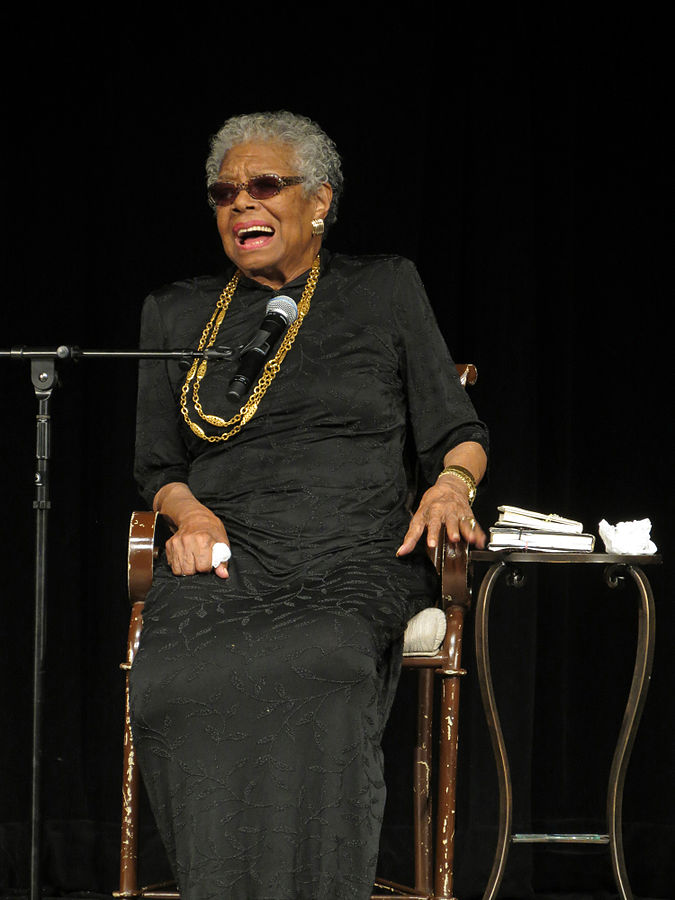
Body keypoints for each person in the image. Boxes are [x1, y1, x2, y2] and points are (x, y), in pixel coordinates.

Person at [130, 110, 488, 900]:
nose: (241, 204)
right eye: (225, 193)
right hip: (231, 550)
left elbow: (457, 432)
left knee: (321, 662)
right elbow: (157, 464)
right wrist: (188, 516)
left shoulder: (384, 286)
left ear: (319, 201)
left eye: (264, 185)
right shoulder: (177, 311)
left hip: (354, 548)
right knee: (174, 680)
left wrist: (448, 485)